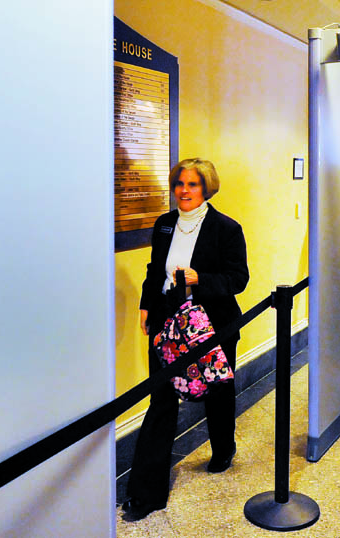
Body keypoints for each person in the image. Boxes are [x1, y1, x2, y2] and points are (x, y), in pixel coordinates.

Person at [123, 158, 249, 521]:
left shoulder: (226, 228)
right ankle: (146, 493)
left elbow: (238, 279)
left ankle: (223, 447)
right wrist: (148, 305)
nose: (184, 191)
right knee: (161, 399)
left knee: (218, 391)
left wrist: (200, 278)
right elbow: (153, 269)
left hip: (212, 325)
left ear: (206, 188)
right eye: (179, 183)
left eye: (193, 184)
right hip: (169, 322)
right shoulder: (165, 225)